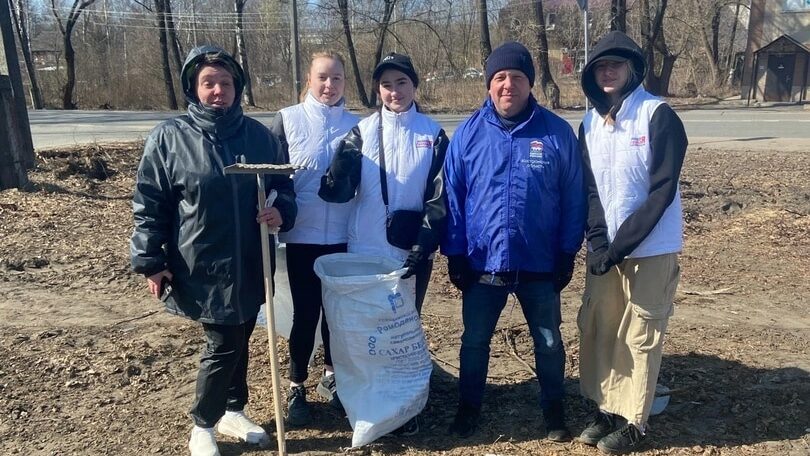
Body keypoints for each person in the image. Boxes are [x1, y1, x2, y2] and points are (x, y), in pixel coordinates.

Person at [130, 45, 297, 456]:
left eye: (225, 83)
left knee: (240, 332)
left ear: (237, 87)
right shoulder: (170, 138)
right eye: (209, 83)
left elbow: (285, 189)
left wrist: (280, 212)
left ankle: (233, 411)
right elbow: (150, 203)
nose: (218, 90)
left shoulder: (259, 137)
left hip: (250, 259)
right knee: (223, 341)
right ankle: (203, 423)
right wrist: (152, 261)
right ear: (193, 87)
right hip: (199, 261)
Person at [441, 41, 586, 442]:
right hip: (482, 263)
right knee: (474, 342)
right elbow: (452, 197)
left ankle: (553, 409)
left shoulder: (556, 133)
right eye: (500, 77)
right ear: (489, 84)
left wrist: (567, 251)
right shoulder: (468, 134)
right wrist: (455, 253)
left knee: (549, 340)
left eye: (517, 77)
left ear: (530, 83)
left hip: (539, 261)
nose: (508, 85)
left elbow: (574, 195)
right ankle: (469, 407)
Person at [318, 52, 449, 435]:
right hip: (366, 247)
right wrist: (340, 166)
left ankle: (402, 405)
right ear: (377, 89)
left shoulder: (433, 133)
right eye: (386, 84)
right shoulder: (361, 131)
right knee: (364, 330)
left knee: (402, 329)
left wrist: (424, 244)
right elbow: (337, 193)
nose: (394, 91)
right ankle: (363, 398)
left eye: (402, 83)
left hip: (411, 251)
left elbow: (440, 198)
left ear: (414, 85)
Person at [576, 31, 687, 455]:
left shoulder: (657, 116)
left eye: (617, 64)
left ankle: (634, 422)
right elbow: (591, 190)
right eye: (601, 65)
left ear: (633, 70)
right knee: (602, 327)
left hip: (650, 250)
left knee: (641, 334)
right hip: (606, 253)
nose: (608, 71)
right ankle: (606, 408)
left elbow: (661, 191)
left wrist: (620, 246)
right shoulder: (590, 123)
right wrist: (599, 243)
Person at [269, 51, 360, 427]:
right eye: (322, 77)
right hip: (302, 236)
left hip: (342, 236)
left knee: (336, 316)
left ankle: (331, 378)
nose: (329, 85)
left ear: (344, 82)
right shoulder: (288, 120)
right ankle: (296, 385)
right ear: (309, 79)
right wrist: (277, 211)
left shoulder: (358, 126)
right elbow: (273, 178)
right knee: (306, 314)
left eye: (336, 78)